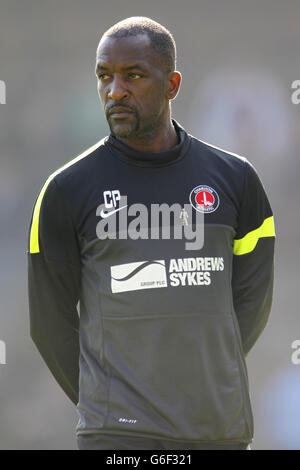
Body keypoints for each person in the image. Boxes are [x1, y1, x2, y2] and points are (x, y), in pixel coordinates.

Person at [27, 17, 275, 450]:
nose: (115, 90)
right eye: (104, 76)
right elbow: (50, 326)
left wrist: (207, 377)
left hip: (216, 430)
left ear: (172, 84)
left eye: (134, 75)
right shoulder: (65, 192)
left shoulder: (236, 180)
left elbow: (251, 302)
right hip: (117, 439)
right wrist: (108, 401)